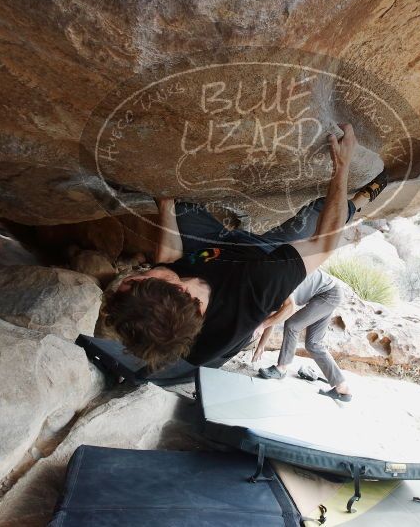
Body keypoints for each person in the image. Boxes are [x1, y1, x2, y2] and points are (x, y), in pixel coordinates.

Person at [104, 124, 396, 370]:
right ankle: (361, 200)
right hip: (261, 254)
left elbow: (169, 261)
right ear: (182, 290)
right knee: (320, 214)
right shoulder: (257, 286)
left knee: (178, 205)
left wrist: (166, 205)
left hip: (212, 251)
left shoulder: (168, 321)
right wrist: (342, 167)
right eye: (142, 276)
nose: (142, 272)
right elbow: (325, 242)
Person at [252, 270, 351, 401]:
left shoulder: (279, 281)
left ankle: (281, 368)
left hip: (329, 293)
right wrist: (261, 345)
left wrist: (262, 326)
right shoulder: (271, 290)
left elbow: (289, 309)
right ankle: (342, 388)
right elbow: (272, 317)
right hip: (327, 292)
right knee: (313, 343)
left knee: (292, 325)